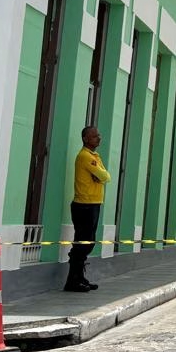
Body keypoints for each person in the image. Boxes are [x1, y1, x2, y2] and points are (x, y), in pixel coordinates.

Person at [66, 125, 110, 293]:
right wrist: (100, 177)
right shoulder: (85, 156)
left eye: (98, 135)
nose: (98, 138)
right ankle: (73, 281)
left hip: (93, 203)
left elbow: (106, 176)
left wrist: (100, 176)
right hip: (84, 205)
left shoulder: (95, 156)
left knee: (88, 242)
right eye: (94, 136)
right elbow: (104, 175)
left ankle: (79, 277)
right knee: (82, 243)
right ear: (85, 139)